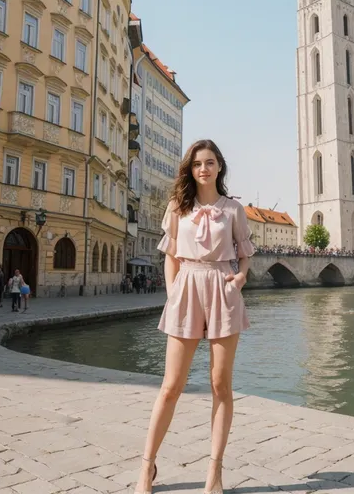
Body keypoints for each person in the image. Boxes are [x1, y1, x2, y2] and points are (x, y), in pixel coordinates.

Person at [134, 139, 254, 494]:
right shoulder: (177, 207)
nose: (204, 168)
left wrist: (242, 276)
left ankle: (215, 470)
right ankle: (147, 466)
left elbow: (245, 252)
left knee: (221, 384)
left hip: (222, 287)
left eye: (211, 162)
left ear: (220, 167)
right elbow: (170, 255)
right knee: (171, 386)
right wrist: (173, 295)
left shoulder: (233, 209)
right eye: (198, 163)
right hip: (186, 287)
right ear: (191, 169)